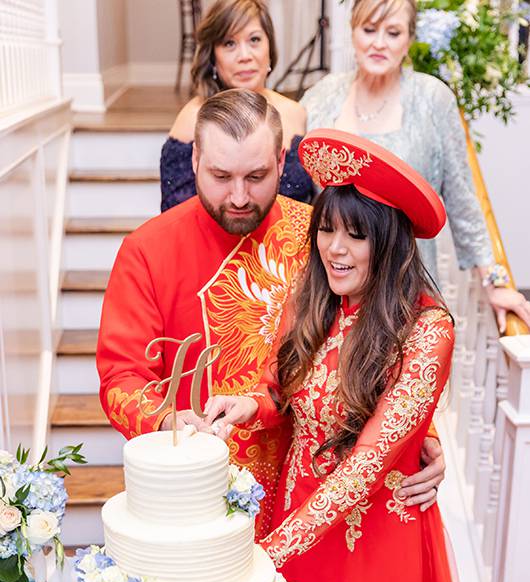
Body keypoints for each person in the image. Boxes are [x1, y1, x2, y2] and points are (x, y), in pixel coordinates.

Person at [205, 130, 494, 582]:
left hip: (373, 554)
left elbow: (367, 465)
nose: (335, 248)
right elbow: (289, 392)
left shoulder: (428, 331)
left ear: (389, 240)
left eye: (355, 235)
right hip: (301, 536)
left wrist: (265, 554)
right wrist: (247, 405)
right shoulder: (316, 297)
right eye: (328, 229)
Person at [97, 89, 444, 538]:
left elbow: (385, 334)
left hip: (320, 486)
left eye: (256, 176)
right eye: (221, 176)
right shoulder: (148, 251)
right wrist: (167, 421)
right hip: (202, 496)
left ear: (282, 162)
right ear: (195, 159)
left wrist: (421, 431)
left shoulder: (322, 236)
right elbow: (121, 378)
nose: (239, 196)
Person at [300, 0, 530, 332]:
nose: (379, 43)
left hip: (405, 290)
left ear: (409, 40)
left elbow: (463, 199)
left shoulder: (433, 98)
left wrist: (495, 282)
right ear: (353, 31)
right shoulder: (320, 98)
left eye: (393, 33)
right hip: (332, 286)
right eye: (369, 30)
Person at [160, 0, 312, 211]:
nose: (245, 56)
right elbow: (177, 216)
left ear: (270, 47)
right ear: (212, 56)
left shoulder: (295, 113)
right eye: (229, 44)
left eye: (254, 40)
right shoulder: (193, 119)